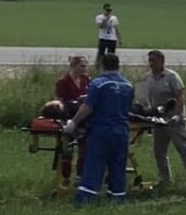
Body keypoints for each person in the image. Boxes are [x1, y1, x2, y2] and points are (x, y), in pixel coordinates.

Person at [65, 53, 135, 205]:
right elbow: (127, 108)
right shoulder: (128, 85)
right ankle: (117, 199)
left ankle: (86, 200)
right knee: (118, 166)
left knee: (94, 165)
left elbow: (87, 107)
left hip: (102, 131)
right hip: (122, 131)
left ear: (102, 65)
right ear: (118, 66)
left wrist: (74, 123)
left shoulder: (99, 83)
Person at [142, 49, 186, 184]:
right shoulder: (147, 78)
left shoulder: (172, 77)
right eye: (149, 60)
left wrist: (177, 115)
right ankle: (165, 179)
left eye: (154, 61)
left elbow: (180, 97)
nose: (151, 64)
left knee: (184, 149)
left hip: (174, 119)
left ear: (162, 61)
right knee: (159, 151)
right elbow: (144, 98)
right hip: (158, 119)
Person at [54, 55, 90, 184]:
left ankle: (80, 175)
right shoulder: (63, 81)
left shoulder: (86, 79)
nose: (84, 69)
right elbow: (59, 101)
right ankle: (66, 177)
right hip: (68, 116)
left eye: (85, 66)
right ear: (73, 66)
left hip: (83, 116)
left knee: (84, 147)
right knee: (67, 148)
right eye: (81, 66)